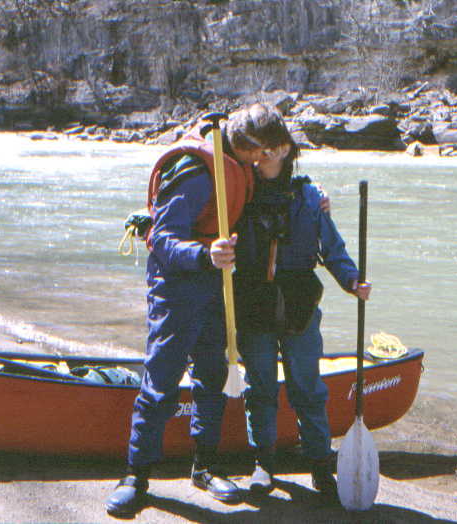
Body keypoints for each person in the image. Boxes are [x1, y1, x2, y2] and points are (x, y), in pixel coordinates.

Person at [106, 103, 295, 517]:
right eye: (262, 154)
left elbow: (278, 180)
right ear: (246, 147)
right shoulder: (194, 172)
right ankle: (135, 474)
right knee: (162, 379)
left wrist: (315, 198)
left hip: (215, 281)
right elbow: (162, 239)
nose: (265, 161)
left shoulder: (243, 162)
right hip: (177, 283)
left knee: (212, 375)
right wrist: (204, 254)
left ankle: (205, 466)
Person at [233, 138, 372, 499]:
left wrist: (352, 280)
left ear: (286, 152)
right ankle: (263, 462)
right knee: (260, 386)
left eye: (274, 147)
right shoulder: (239, 189)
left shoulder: (309, 196)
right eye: (261, 148)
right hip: (253, 299)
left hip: (299, 302)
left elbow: (333, 248)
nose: (265, 154)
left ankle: (320, 465)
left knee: (308, 388)